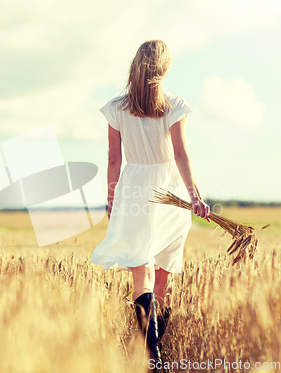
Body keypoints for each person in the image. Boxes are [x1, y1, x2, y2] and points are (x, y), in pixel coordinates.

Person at [90, 40, 210, 366]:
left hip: (134, 190)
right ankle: (151, 355)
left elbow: (114, 158)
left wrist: (113, 198)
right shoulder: (174, 105)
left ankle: (149, 357)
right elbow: (181, 154)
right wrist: (196, 197)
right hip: (171, 192)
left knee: (140, 272)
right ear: (165, 69)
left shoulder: (116, 107)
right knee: (162, 280)